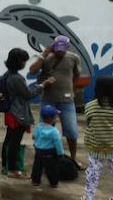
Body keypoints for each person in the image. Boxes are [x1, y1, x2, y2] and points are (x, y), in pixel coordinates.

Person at [28, 35, 82, 166]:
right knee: (43, 132)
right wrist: (43, 55)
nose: (59, 51)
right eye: (57, 48)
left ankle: (73, 159)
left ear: (67, 48)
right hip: (48, 100)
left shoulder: (73, 58)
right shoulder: (47, 57)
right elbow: (32, 71)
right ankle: (41, 161)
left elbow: (77, 75)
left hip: (67, 101)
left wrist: (70, 88)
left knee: (71, 131)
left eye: (62, 49)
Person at [3, 48, 55, 179]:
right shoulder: (16, 78)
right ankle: (13, 169)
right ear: (18, 62)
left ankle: (6, 165)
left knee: (8, 139)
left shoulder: (7, 74)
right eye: (23, 61)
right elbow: (28, 95)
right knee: (15, 141)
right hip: (18, 113)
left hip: (10, 112)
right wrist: (42, 85)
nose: (25, 63)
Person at [80, 76, 113, 200]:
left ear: (97, 89)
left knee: (93, 173)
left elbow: (89, 123)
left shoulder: (90, 106)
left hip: (96, 146)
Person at [31, 105, 64, 188]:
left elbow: (34, 136)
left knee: (37, 166)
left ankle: (35, 181)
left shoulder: (38, 127)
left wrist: (36, 143)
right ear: (52, 119)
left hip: (38, 150)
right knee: (51, 168)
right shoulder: (54, 131)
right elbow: (58, 143)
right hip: (50, 152)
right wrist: (60, 154)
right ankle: (53, 182)